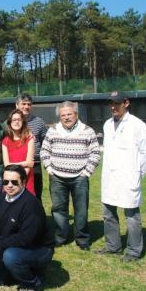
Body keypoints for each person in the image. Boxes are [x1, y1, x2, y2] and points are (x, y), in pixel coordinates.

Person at [97, 91, 146, 262]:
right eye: (111, 103)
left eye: (116, 103)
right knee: (108, 213)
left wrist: (138, 173)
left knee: (131, 215)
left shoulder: (138, 125)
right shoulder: (107, 124)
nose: (113, 107)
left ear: (126, 103)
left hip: (129, 177)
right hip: (110, 177)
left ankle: (134, 251)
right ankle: (113, 246)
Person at [0, 165, 54, 291]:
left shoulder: (31, 204)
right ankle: (26, 270)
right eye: (6, 181)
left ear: (23, 182)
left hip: (39, 248)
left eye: (14, 182)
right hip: (14, 246)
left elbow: (26, 238)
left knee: (10, 256)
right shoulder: (1, 198)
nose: (9, 185)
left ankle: (32, 283)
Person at [41, 101, 100, 251]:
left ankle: (82, 239)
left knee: (81, 210)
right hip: (57, 177)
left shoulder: (87, 130)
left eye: (69, 114)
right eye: (63, 115)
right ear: (59, 117)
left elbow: (95, 153)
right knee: (58, 209)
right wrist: (49, 168)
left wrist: (86, 172)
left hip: (79, 178)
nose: (66, 117)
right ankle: (60, 237)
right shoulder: (52, 130)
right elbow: (44, 151)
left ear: (76, 114)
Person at [15, 93, 49, 200]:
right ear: (17, 105)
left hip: (35, 164)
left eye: (29, 104)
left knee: (36, 195)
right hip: (16, 163)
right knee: (16, 193)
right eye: (23, 104)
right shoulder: (10, 122)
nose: (26, 107)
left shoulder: (39, 122)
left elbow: (46, 142)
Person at [2, 109, 35, 195]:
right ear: (10, 122)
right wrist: (24, 164)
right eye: (14, 120)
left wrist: (21, 179)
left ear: (23, 122)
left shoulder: (29, 139)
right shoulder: (5, 141)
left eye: (19, 119)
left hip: (26, 178)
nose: (17, 122)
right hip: (10, 180)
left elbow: (30, 164)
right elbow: (6, 165)